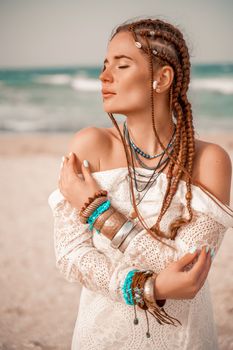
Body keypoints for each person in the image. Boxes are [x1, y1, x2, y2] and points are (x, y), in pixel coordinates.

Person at [48, 17, 233, 350]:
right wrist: (149, 287)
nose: (104, 77)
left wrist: (99, 211)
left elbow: (187, 273)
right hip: (99, 337)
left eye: (121, 65)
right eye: (104, 66)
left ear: (162, 78)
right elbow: (70, 256)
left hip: (184, 339)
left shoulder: (210, 161)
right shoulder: (91, 146)